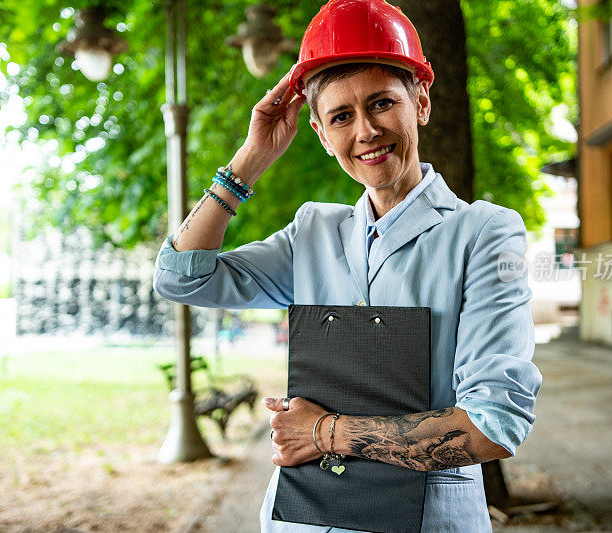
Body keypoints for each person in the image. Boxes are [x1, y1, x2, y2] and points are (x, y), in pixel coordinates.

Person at [153, 1, 541, 530]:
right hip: (304, 519)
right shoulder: (312, 233)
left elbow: (494, 425)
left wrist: (323, 433)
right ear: (318, 130)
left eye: (381, 103)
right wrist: (252, 158)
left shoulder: (485, 234)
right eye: (340, 116)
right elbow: (181, 277)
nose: (365, 131)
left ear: (421, 101)